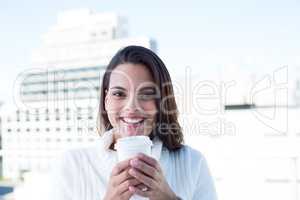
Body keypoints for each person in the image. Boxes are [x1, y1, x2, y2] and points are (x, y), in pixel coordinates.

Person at [46, 45, 218, 200]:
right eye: (119, 94)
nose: (132, 107)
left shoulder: (192, 163)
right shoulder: (73, 164)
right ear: (106, 100)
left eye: (147, 94)